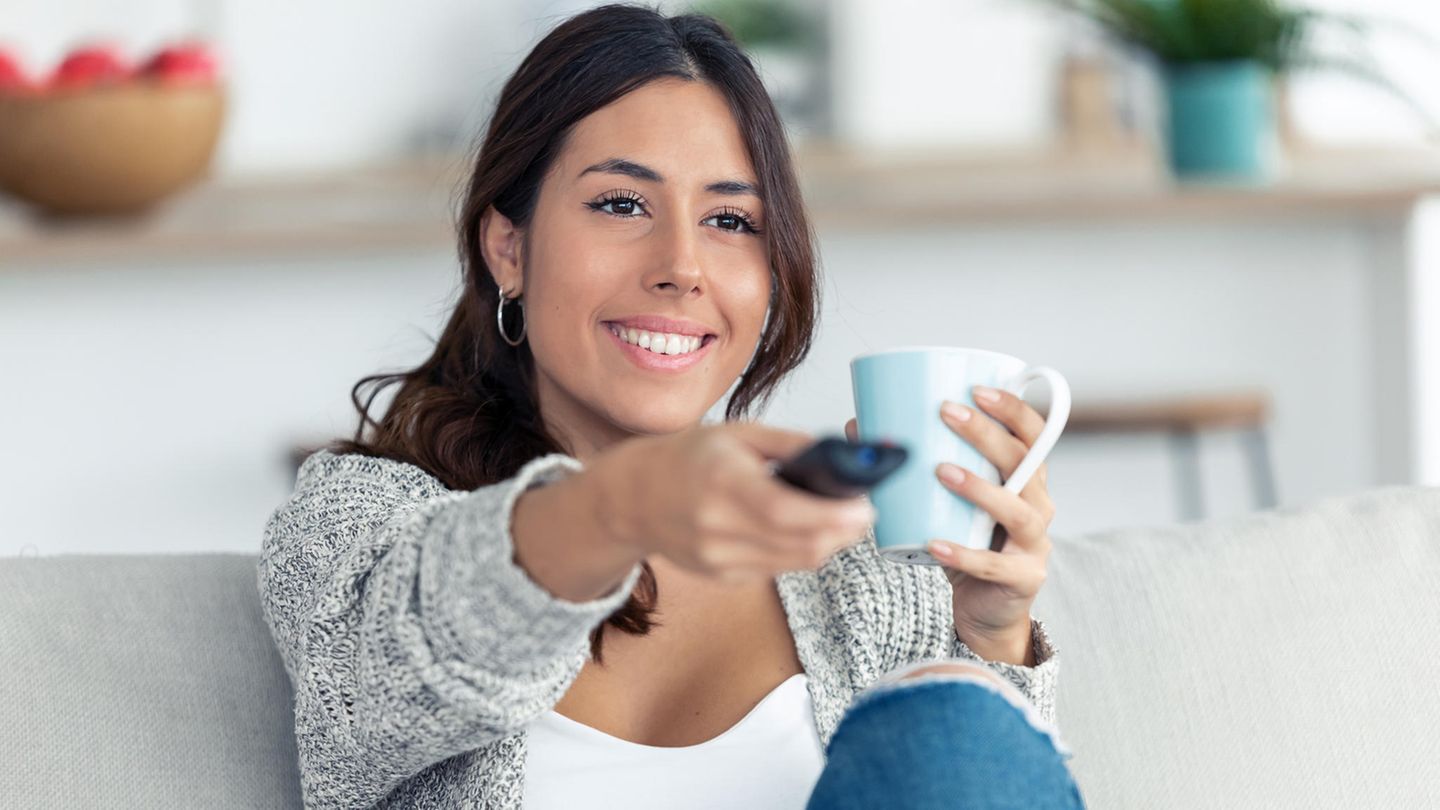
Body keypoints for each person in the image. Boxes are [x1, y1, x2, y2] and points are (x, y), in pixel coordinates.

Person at [257, 4, 1086, 808]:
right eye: (622, 203)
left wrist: (989, 636)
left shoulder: (863, 574)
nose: (683, 265)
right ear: (508, 247)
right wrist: (624, 502)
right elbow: (410, 652)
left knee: (954, 718)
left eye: (730, 219)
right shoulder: (352, 527)